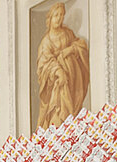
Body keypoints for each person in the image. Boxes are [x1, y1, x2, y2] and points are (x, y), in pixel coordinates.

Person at [35, 2, 90, 130]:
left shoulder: (67, 33)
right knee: (58, 113)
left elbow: (80, 45)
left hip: (74, 79)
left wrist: (70, 50)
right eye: (56, 15)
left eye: (61, 15)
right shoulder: (46, 41)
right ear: (50, 18)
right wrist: (58, 71)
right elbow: (44, 63)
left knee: (73, 111)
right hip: (57, 84)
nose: (59, 18)